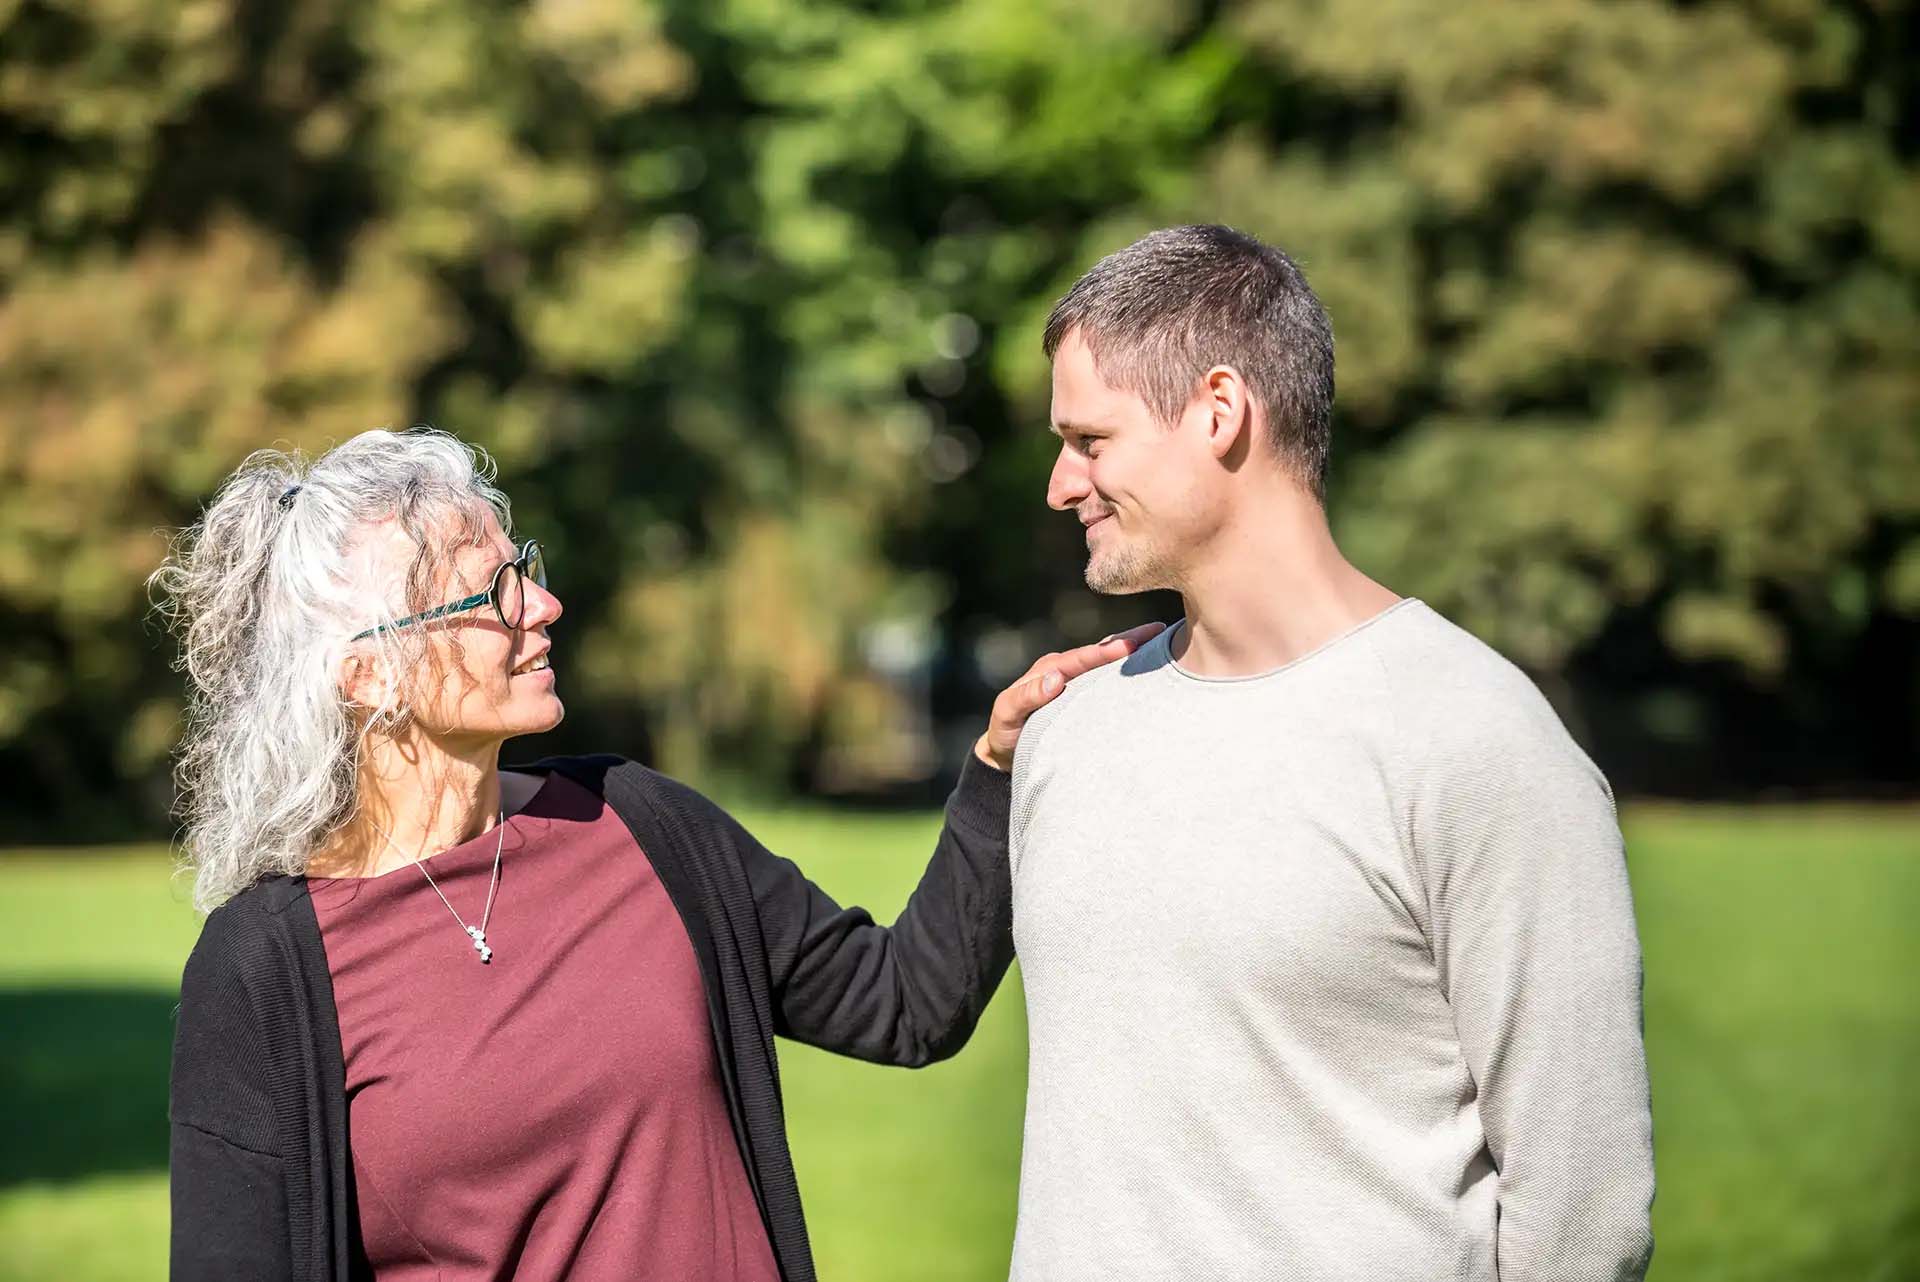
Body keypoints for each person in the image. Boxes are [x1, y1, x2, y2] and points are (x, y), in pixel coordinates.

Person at [155, 427, 1160, 1281]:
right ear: (370, 676)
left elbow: (904, 1002)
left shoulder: (636, 822)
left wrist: (996, 769)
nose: (541, 605)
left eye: (525, 569)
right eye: (491, 592)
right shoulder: (265, 970)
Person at [1006, 225, 1654, 1280]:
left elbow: (1585, 1215)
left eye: (1090, 440)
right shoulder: (1071, 734)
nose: (1060, 485)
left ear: (1219, 411)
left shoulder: (1477, 742)